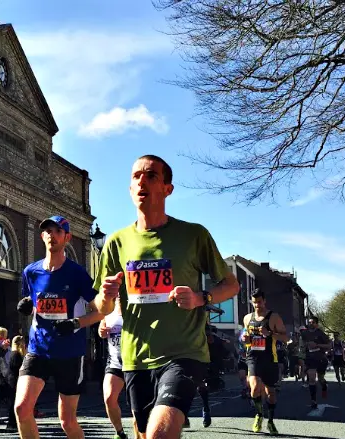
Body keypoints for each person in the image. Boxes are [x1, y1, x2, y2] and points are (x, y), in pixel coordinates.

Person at [94, 155, 240, 439]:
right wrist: (106, 295)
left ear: (167, 189)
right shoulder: (116, 242)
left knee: (159, 434)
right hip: (135, 358)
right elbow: (102, 306)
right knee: (145, 433)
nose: (142, 181)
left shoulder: (193, 235)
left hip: (184, 353)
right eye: (136, 176)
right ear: (130, 189)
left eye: (151, 176)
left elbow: (231, 285)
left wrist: (200, 297)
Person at [14, 215, 108, 439]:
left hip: (69, 353)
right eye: (48, 231)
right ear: (42, 236)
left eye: (58, 231)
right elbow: (35, 302)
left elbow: (101, 311)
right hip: (38, 349)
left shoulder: (77, 274)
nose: (52, 236)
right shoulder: (30, 272)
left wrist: (75, 323)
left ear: (67, 238)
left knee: (67, 421)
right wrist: (28, 306)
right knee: (22, 409)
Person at [240, 289, 287, 435]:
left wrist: (270, 334)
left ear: (264, 301)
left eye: (259, 302)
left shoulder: (274, 317)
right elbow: (245, 337)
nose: (257, 305)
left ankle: (270, 421)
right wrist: (245, 339)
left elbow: (285, 337)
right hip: (253, 357)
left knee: (270, 393)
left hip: (270, 359)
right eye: (254, 302)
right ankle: (259, 414)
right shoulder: (247, 318)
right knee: (254, 388)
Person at [98, 299, 127, 439]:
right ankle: (120, 433)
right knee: (109, 398)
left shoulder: (136, 308)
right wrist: (102, 331)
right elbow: (101, 330)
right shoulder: (108, 311)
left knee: (138, 408)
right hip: (115, 363)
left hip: (136, 363)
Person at [300, 317, 332, 409]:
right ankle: (313, 400)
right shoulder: (304, 333)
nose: (311, 324)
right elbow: (301, 345)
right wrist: (303, 347)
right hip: (310, 358)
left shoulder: (320, 333)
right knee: (312, 378)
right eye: (309, 322)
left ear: (316, 324)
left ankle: (324, 386)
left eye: (313, 322)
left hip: (320, 358)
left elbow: (329, 346)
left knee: (321, 379)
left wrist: (317, 345)